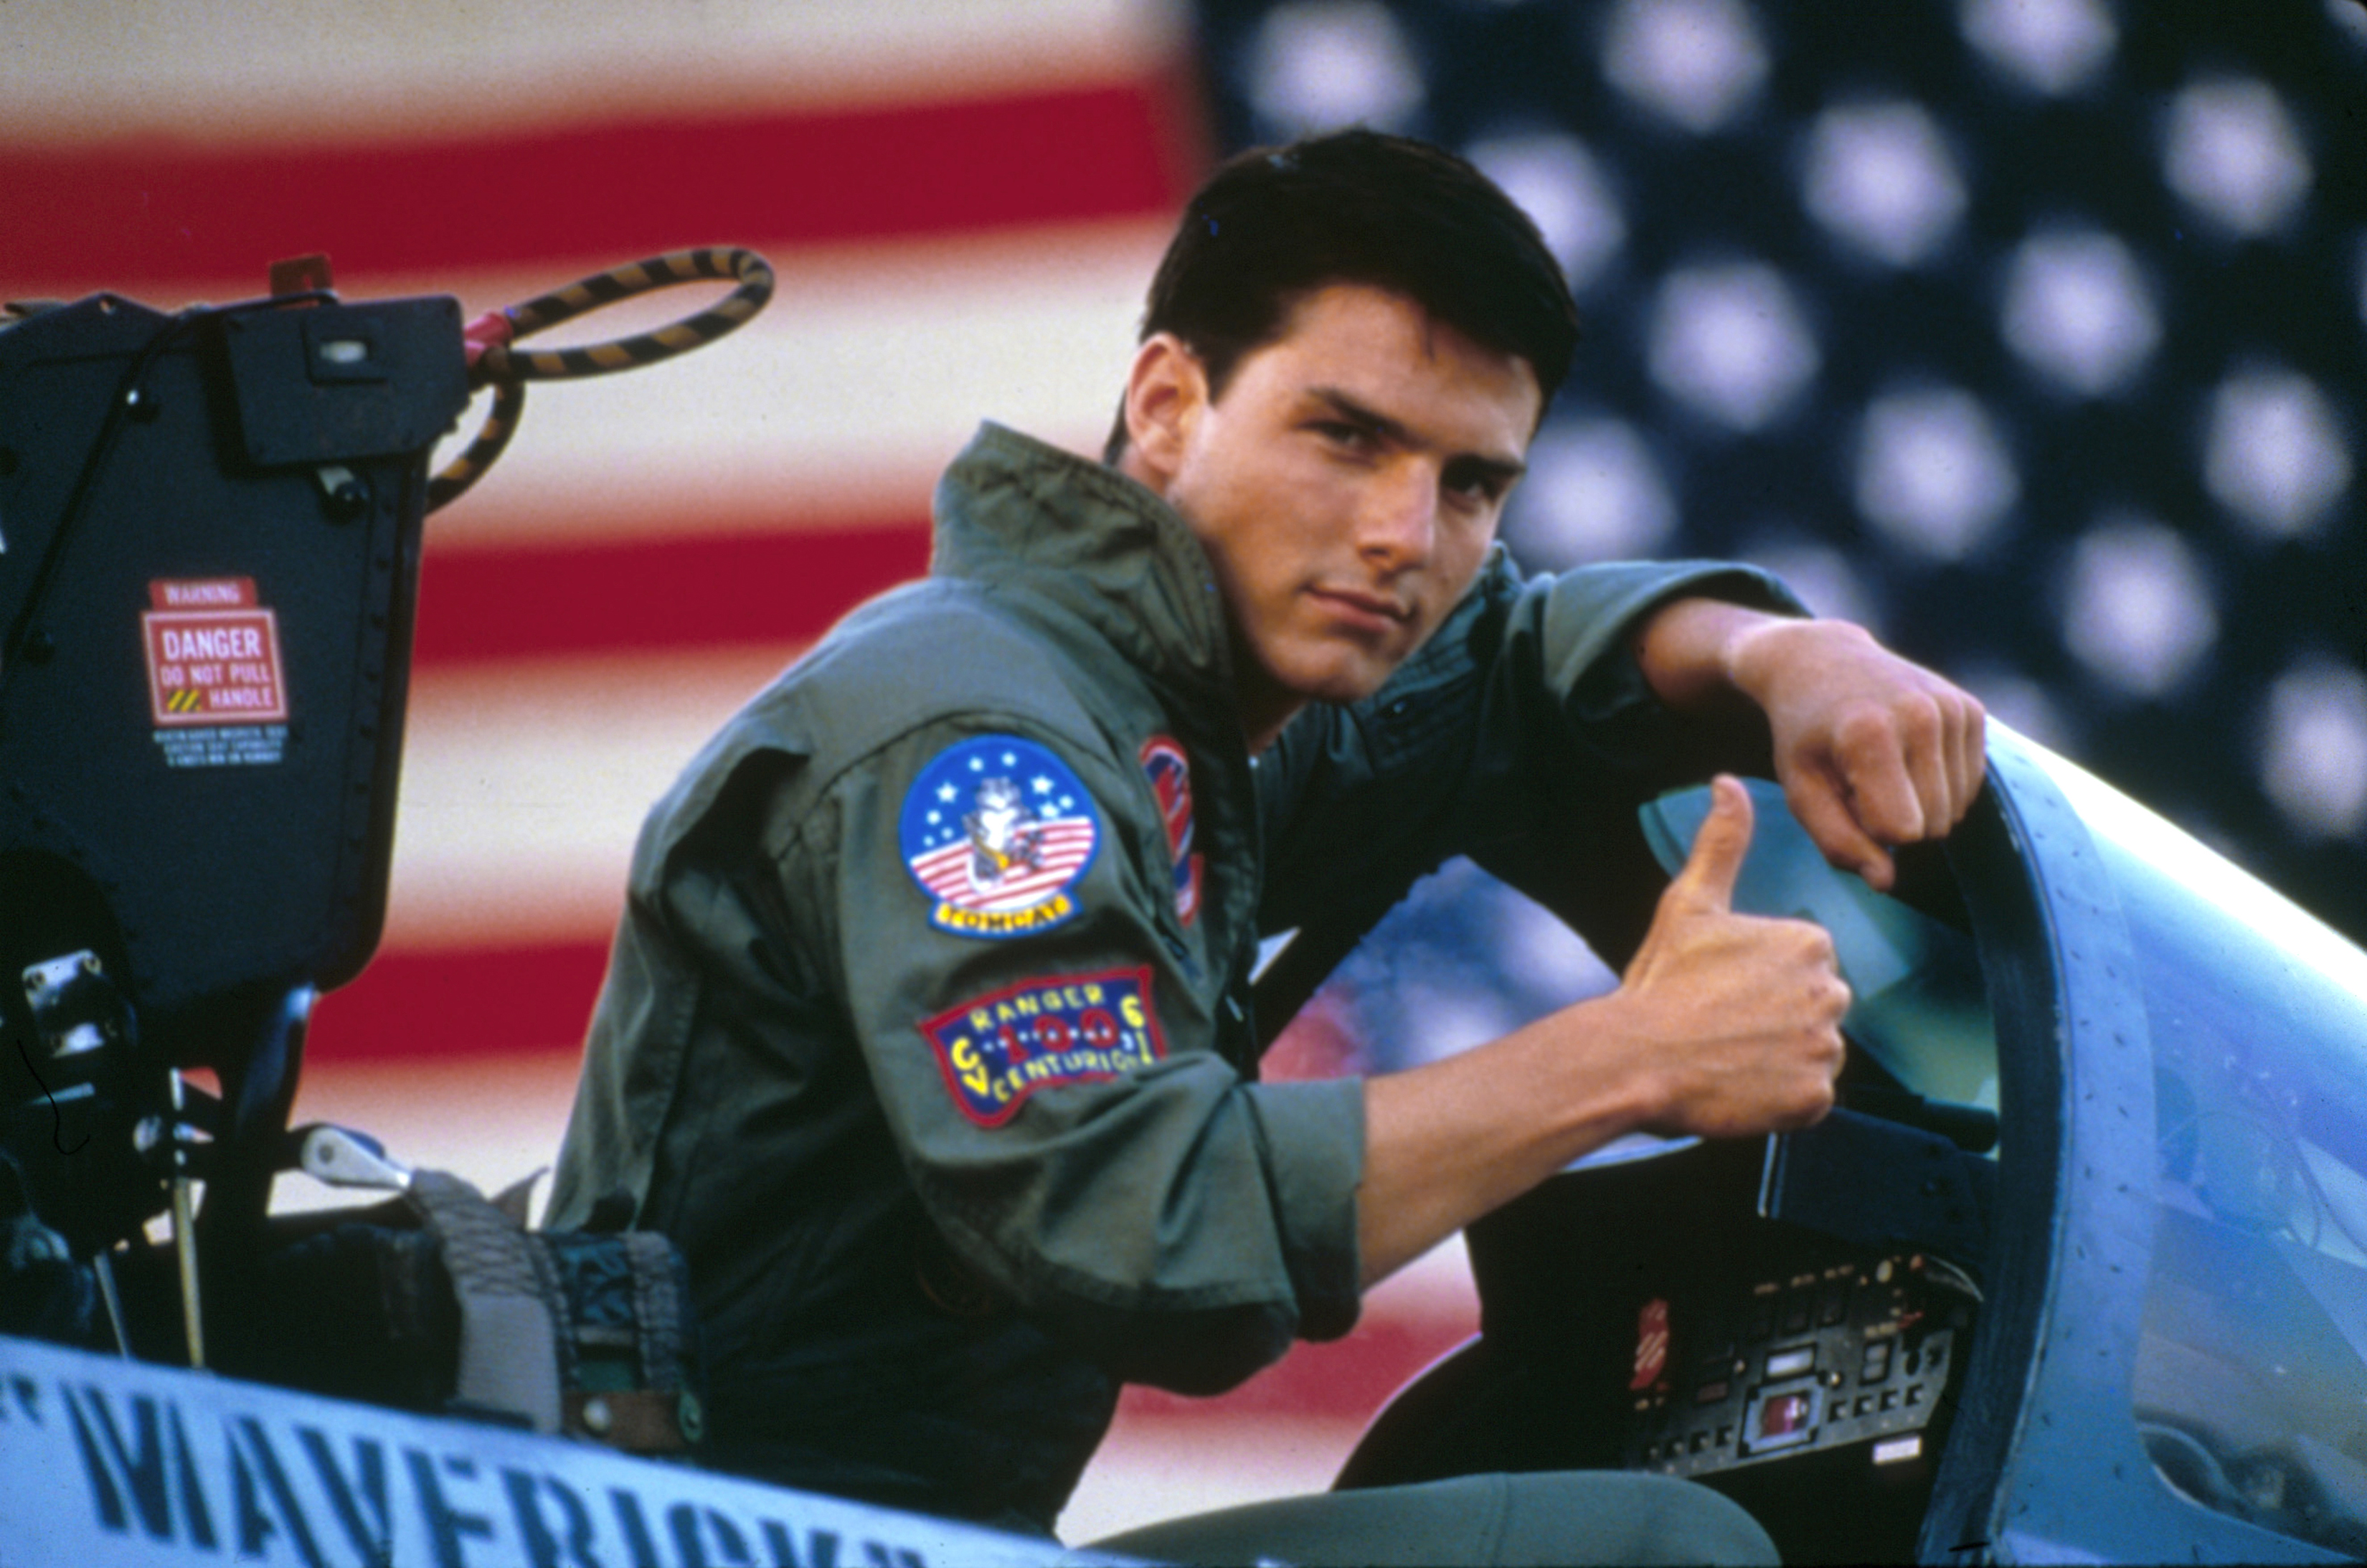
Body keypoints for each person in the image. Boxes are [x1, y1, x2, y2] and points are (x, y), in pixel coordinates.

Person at [547, 130, 1984, 1564]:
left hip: (922, 1536)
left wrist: (1787, 652)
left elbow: (1516, 667)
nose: (1402, 535)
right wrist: (1636, 1057)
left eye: (1473, 483)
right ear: (1169, 403)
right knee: (1666, 1554)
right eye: (1345, 435)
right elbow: (1143, 1224)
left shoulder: (1211, 705)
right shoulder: (985, 746)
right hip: (727, 1535)